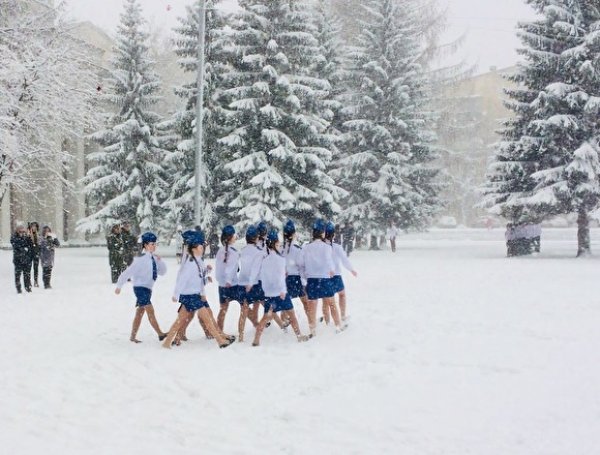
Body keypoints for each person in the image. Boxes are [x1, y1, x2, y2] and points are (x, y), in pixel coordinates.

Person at [162, 230, 235, 349]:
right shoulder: (190, 263)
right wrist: (176, 294)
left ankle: (167, 342)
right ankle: (220, 341)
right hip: (191, 296)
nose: (203, 248)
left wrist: (207, 275)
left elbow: (198, 277)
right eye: (201, 246)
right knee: (206, 318)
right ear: (194, 248)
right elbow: (182, 279)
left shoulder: (197, 260)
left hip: (193, 295)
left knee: (180, 321)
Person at [252, 230, 311, 346]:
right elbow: (281, 278)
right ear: (274, 244)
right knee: (292, 315)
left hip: (269, 294)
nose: (279, 247)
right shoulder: (280, 260)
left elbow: (263, 277)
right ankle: (299, 336)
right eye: (278, 245)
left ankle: (256, 339)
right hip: (280, 293)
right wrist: (283, 291)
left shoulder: (265, 260)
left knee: (266, 317)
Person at [115, 232, 168, 343]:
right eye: (151, 244)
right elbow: (128, 272)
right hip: (140, 288)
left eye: (155, 244)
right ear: (145, 245)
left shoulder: (154, 258)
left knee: (139, 313)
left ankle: (132, 337)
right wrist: (119, 285)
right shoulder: (140, 259)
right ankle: (160, 334)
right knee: (150, 310)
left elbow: (162, 272)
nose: (154, 246)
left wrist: (160, 261)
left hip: (148, 289)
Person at [302, 219, 344, 336]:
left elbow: (302, 263)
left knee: (312, 306)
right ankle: (338, 326)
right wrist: (331, 270)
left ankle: (312, 330)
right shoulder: (327, 247)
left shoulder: (306, 247)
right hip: (324, 279)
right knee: (331, 304)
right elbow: (328, 261)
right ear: (322, 233)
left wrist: (305, 275)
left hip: (312, 280)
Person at [325, 222, 357, 323]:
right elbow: (344, 260)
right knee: (341, 294)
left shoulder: (320, 247)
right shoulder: (337, 247)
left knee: (327, 299)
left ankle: (327, 319)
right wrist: (351, 269)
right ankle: (342, 316)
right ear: (333, 235)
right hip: (336, 275)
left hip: (323, 276)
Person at [215, 225, 241, 334]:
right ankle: (255, 325)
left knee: (223, 309)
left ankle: (218, 331)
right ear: (230, 237)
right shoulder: (233, 251)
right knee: (245, 305)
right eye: (234, 235)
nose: (236, 237)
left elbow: (219, 269)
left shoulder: (220, 251)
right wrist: (229, 280)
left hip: (222, 286)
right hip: (232, 285)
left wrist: (222, 281)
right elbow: (230, 268)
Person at [281, 220, 309, 320]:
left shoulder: (280, 249)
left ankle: (284, 324)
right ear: (294, 234)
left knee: (285, 305)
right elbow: (302, 265)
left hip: (285, 279)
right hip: (296, 279)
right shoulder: (297, 249)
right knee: (305, 302)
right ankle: (311, 321)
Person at [11, 224, 33, 294]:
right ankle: (18, 289)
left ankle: (28, 288)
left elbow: (31, 245)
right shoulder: (14, 237)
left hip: (26, 260)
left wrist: (29, 238)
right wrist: (24, 248)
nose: (22, 232)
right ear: (17, 231)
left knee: (27, 275)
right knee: (17, 275)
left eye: (23, 231)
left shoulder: (26, 237)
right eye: (20, 231)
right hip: (18, 260)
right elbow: (16, 245)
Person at [28, 221, 41, 287]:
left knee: (36, 268)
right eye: (32, 226)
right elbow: (27, 243)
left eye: (35, 226)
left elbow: (39, 244)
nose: (34, 227)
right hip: (29, 253)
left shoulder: (38, 234)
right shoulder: (28, 234)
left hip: (36, 253)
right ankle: (29, 282)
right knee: (29, 268)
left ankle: (36, 281)